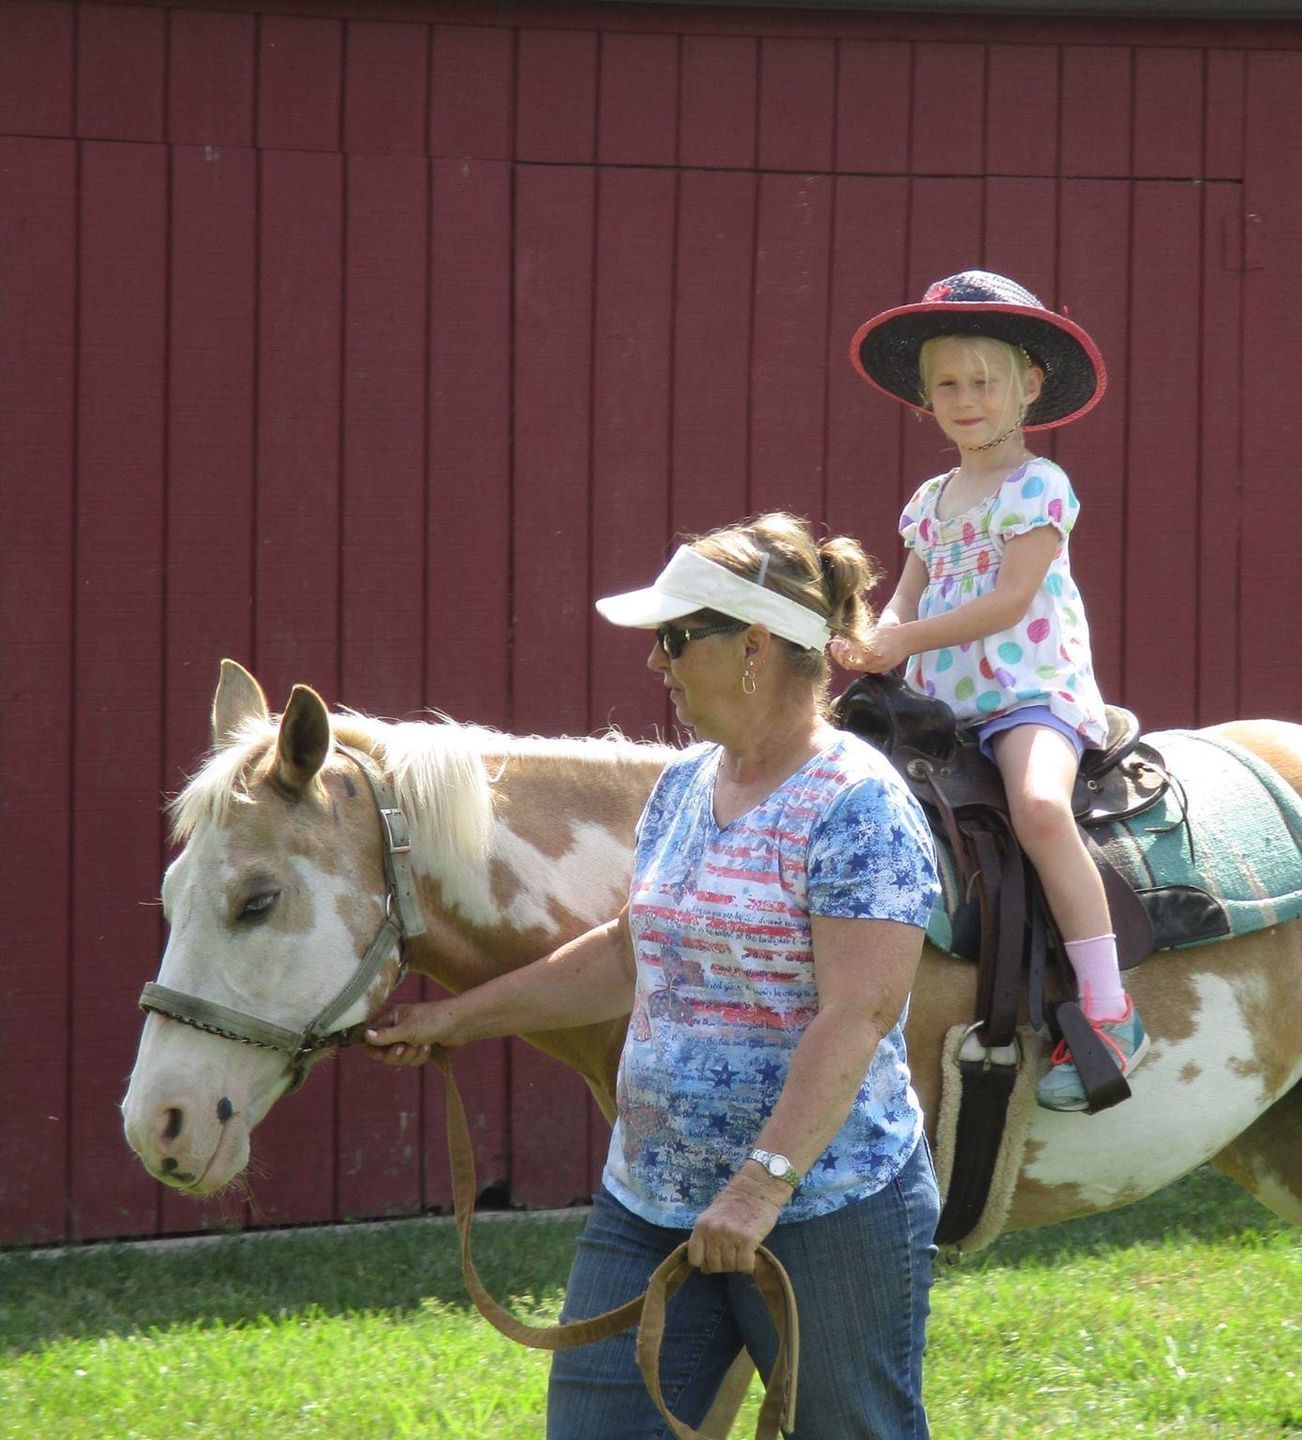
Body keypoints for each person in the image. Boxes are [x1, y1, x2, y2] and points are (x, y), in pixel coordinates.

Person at [364, 513, 943, 1440]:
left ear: (755, 645)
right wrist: (455, 1022)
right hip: (651, 1197)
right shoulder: (683, 786)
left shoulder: (858, 804)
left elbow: (859, 1013)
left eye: (676, 638)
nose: (655, 662)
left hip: (827, 1210)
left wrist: (757, 1190)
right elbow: (633, 953)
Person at [835, 270, 1147, 1113]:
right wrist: (872, 641)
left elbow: (1010, 600)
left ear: (1028, 388)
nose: (965, 399)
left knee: (1039, 809)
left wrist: (905, 638)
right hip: (943, 709)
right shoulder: (931, 500)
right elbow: (910, 591)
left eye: (985, 381)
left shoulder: (1038, 487)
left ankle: (1109, 1005)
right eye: (948, 384)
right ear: (925, 397)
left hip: (1026, 694)